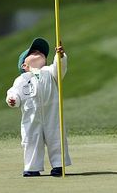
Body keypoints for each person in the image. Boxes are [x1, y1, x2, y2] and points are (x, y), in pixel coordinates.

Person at [6, 37, 71, 177]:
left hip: (52, 115)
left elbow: (60, 67)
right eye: (33, 52)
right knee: (31, 141)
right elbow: (14, 93)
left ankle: (59, 165)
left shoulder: (50, 72)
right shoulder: (22, 79)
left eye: (41, 53)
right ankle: (32, 167)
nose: (39, 53)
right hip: (31, 117)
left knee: (56, 138)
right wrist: (13, 99)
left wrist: (60, 56)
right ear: (24, 65)